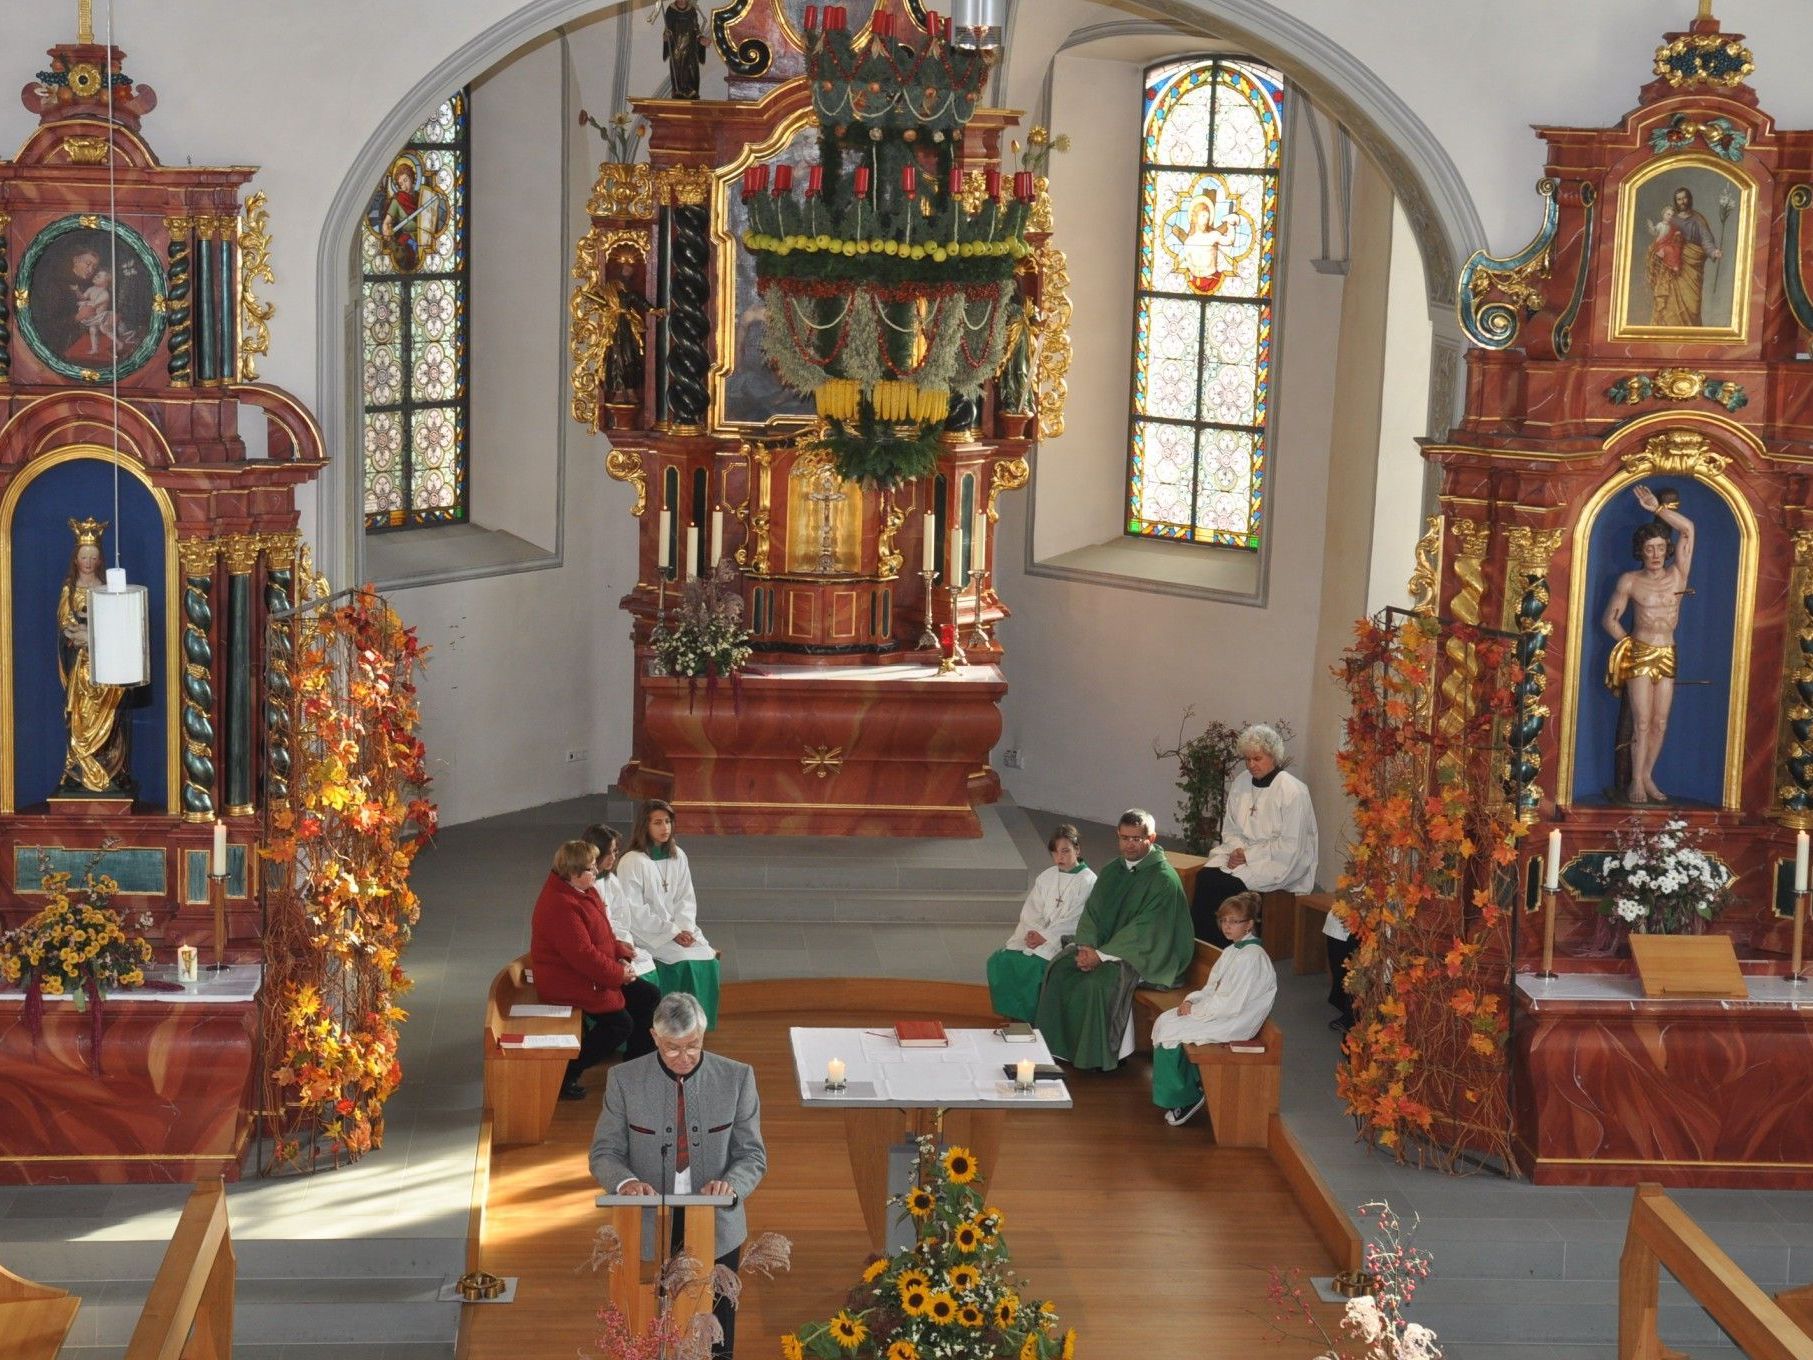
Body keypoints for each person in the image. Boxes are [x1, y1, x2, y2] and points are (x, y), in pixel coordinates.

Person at [590, 992, 766, 1360]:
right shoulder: (623, 1080)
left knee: (716, 1334)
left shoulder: (737, 1078)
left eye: (693, 1047)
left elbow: (752, 1155)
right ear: (654, 1037)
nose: (684, 1058)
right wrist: (625, 1183)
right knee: (650, 1327)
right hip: (650, 1223)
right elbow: (604, 1153)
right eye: (672, 1049)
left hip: (717, 1224)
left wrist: (731, 1184)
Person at [1033, 808, 1193, 1071]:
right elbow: (1093, 911)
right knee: (1059, 969)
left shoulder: (1163, 879)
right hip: (1105, 947)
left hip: (1150, 955)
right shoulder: (1112, 870)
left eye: (1136, 839)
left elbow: (1145, 930)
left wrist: (1101, 955)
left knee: (1098, 982)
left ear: (1151, 839)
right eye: (1124, 838)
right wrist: (1086, 945)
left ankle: (1098, 1057)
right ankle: (1055, 1048)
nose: (1129, 845)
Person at [530, 839, 660, 1100]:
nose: (596, 871)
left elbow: (601, 931)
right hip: (566, 980)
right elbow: (583, 955)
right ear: (573, 873)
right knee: (619, 1025)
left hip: (588, 972)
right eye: (590, 868)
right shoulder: (560, 906)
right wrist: (617, 974)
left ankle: (636, 1065)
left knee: (648, 996)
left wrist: (620, 953)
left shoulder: (583, 890)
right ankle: (567, 1073)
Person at [1150, 892, 1278, 1127]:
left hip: (1236, 1021)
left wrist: (1197, 1011)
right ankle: (1190, 1085)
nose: (1227, 927)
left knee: (1170, 1031)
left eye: (1234, 921)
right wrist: (1191, 1001)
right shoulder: (1233, 950)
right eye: (1223, 920)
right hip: (1220, 1011)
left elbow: (1232, 1004)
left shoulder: (1252, 958)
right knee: (1165, 1020)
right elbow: (1212, 988)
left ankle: (1188, 1097)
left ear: (1249, 924)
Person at [1602, 485, 1694, 804]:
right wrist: (1627, 644)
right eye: (1649, 549)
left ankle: (1646, 776)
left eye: (1659, 548)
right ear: (1640, 551)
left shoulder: (1678, 575)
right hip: (1641, 652)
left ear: (1666, 549)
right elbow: (1610, 620)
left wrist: (1657, 509)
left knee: (1660, 721)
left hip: (1667, 652)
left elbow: (1688, 529)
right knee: (1641, 720)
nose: (1655, 554)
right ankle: (1635, 782)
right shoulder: (1630, 580)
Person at [1189, 724, 1319, 946]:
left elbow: (1291, 844)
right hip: (1241, 853)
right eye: (1247, 759)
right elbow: (1231, 828)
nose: (1251, 765)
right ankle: (1199, 944)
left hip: (1278, 859)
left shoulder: (1292, 791)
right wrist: (1237, 850)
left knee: (1231, 885)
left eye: (1257, 759)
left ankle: (1228, 947)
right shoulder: (1241, 782)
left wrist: (1247, 855)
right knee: (1206, 877)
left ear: (1273, 756)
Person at [615, 799, 721, 1027]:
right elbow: (633, 910)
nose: (665, 828)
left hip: (680, 929)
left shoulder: (678, 855)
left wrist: (685, 928)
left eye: (668, 822)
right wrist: (672, 932)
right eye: (657, 822)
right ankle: (673, 1024)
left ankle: (697, 1024)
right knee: (685, 961)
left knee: (707, 958)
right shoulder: (631, 861)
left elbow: (686, 896)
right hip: (648, 932)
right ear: (645, 826)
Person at [985, 824, 1096, 1022]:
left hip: (1062, 940)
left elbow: (1075, 920)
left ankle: (1034, 1021)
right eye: (1055, 852)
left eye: (1065, 851)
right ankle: (1013, 1017)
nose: (1059, 858)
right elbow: (1032, 911)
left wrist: (1044, 937)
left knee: (1034, 968)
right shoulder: (1047, 876)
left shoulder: (1087, 881)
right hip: (1037, 937)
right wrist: (1031, 934)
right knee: (1000, 960)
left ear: (1077, 850)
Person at [57, 518, 131, 795]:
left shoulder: (108, 588)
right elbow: (65, 626)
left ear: (99, 560)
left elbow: (119, 624)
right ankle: (81, 769)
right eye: (83, 557)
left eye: (93, 557)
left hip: (107, 667)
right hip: (81, 667)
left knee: (110, 716)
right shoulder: (70, 590)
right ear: (76, 560)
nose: (88, 562)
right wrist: (80, 636)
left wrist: (96, 637)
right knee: (80, 717)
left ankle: (109, 766)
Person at [583, 823, 659, 985]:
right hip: (600, 949)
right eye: (608, 852)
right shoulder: (585, 885)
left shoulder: (610, 881)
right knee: (638, 981)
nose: (613, 857)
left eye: (615, 851)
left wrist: (625, 942)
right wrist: (616, 946)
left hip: (615, 942)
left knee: (647, 967)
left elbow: (620, 919)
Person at [1646, 186, 1721, 327]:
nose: (1682, 202)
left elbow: (1706, 240)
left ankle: (1690, 332)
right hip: (1673, 263)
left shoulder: (1698, 219)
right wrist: (1657, 248)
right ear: (1676, 202)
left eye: (1684, 198)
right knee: (1670, 301)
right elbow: (1662, 236)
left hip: (1692, 265)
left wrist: (1713, 251)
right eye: (1679, 199)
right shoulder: (1671, 219)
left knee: (1692, 303)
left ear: (1689, 199)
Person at [663, 0, 708, 100]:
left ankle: (692, 92)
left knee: (692, 70)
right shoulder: (671, 9)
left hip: (691, 47)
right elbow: (668, 28)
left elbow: (696, 29)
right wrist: (666, 35)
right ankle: (678, 91)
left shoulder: (692, 10)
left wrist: (701, 39)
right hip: (677, 46)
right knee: (678, 70)